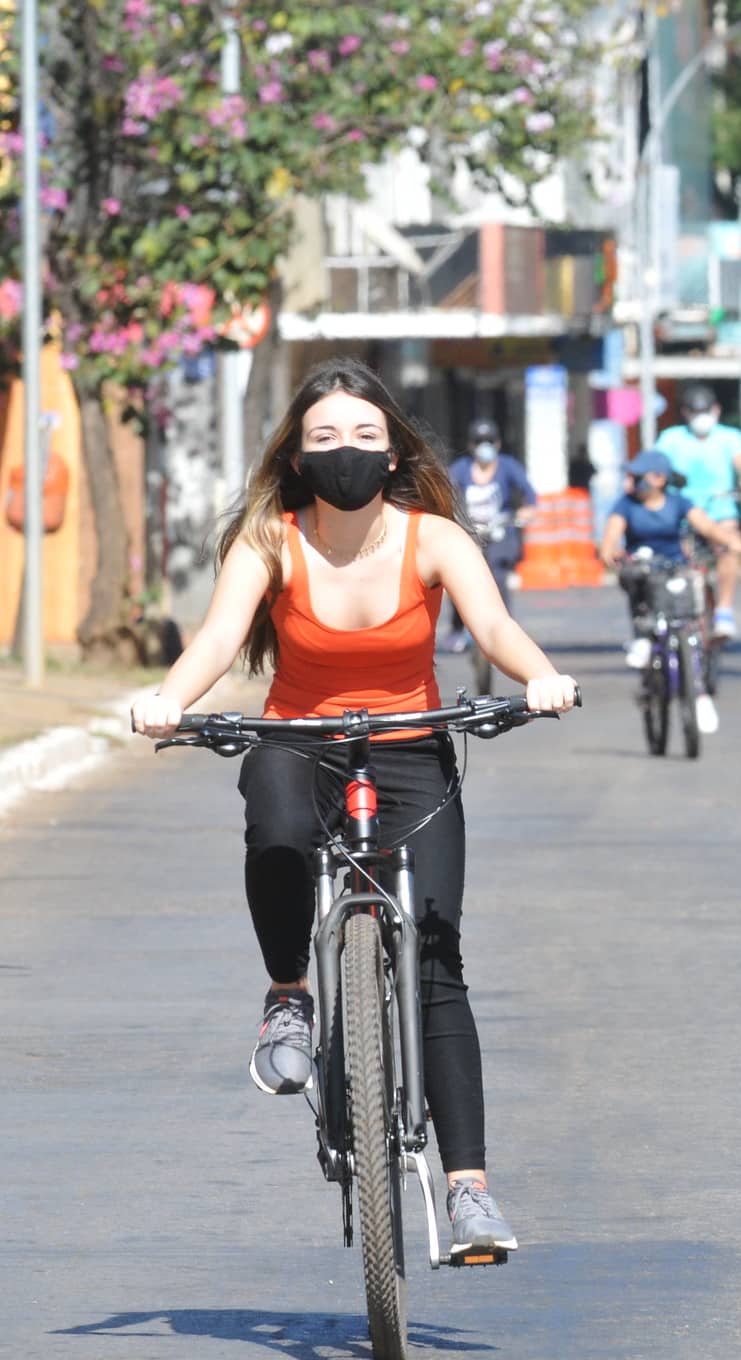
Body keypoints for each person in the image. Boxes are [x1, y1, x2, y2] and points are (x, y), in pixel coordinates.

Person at [128, 358, 581, 1255]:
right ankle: (290, 993)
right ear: (298, 457)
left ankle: (470, 1191)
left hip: (412, 749)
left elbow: (492, 627)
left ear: (392, 451)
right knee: (278, 825)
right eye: (325, 437)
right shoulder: (271, 539)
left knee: (439, 961)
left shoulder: (434, 539)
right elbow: (219, 637)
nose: (346, 452)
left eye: (365, 437)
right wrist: (168, 697)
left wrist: (541, 679)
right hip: (298, 742)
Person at [600, 449, 741, 726]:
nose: (631, 481)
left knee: (690, 599)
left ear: (658, 479)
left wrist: (730, 541)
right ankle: (642, 638)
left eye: (637, 475)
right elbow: (611, 537)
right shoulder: (625, 505)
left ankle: (698, 685)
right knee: (636, 581)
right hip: (642, 566)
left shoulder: (679, 502)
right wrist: (611, 552)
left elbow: (706, 526)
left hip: (674, 565)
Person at [654, 384, 741, 640]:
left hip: (719, 511)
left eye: (706, 410)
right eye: (695, 411)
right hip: (683, 513)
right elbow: (656, 466)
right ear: (685, 413)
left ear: (716, 411)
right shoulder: (671, 438)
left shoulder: (729, 437)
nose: (701, 417)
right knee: (675, 564)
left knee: (731, 547)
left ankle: (723, 609)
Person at [443, 419, 537, 654]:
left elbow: (529, 496)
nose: (484, 446)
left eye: (489, 442)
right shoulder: (461, 469)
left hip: (500, 531)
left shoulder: (508, 466)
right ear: (471, 445)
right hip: (471, 532)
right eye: (478, 442)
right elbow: (446, 493)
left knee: (497, 573)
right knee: (458, 576)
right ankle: (457, 627)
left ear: (497, 443)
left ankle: (504, 628)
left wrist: (525, 512)